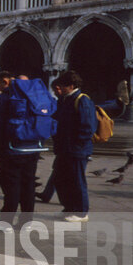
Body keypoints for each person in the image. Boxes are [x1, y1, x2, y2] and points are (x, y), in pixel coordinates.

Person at [0, 77, 50, 225]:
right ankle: (26, 222)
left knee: (11, 188)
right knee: (28, 186)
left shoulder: (6, 97)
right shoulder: (35, 96)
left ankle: (6, 222)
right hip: (33, 148)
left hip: (12, 150)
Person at [51, 71, 97, 223]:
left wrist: (77, 144)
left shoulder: (82, 100)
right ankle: (69, 208)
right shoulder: (65, 100)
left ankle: (81, 212)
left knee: (77, 180)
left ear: (71, 86)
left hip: (76, 150)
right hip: (64, 149)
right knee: (60, 178)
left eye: (62, 86)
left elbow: (88, 127)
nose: (60, 89)